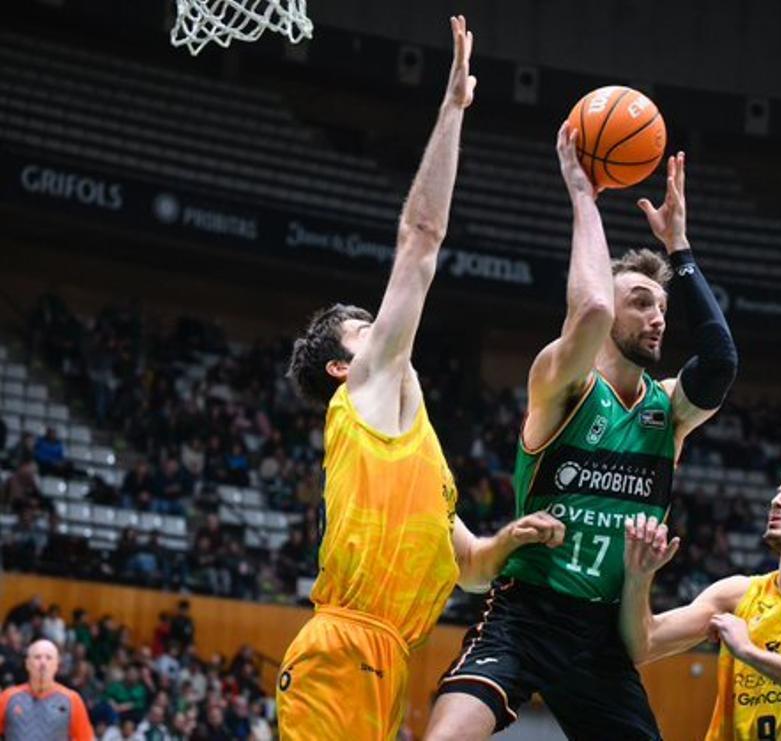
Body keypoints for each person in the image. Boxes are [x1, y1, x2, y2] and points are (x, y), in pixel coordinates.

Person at [276, 17, 563, 740]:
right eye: (365, 327)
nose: (384, 327)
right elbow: (421, 238)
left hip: (386, 656)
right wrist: (453, 109)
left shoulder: (422, 457)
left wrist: (511, 538)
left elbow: (468, 566)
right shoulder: (363, 391)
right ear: (342, 365)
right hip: (342, 648)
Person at [428, 137, 738, 738]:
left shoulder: (669, 410)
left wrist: (679, 248)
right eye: (641, 303)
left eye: (663, 308)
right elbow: (592, 308)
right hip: (526, 614)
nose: (658, 318)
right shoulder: (561, 385)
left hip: (602, 632)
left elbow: (721, 360)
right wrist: (581, 193)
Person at [622, 467, 781, 739]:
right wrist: (638, 578)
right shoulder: (734, 594)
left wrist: (749, 652)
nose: (776, 501)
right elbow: (643, 645)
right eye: (778, 493)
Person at [0, 639, 94, 740]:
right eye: (37, 657)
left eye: (49, 658)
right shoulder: (8, 697)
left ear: (57, 665)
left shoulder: (72, 700)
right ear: (27, 663)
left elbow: (86, 738)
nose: (43, 663)